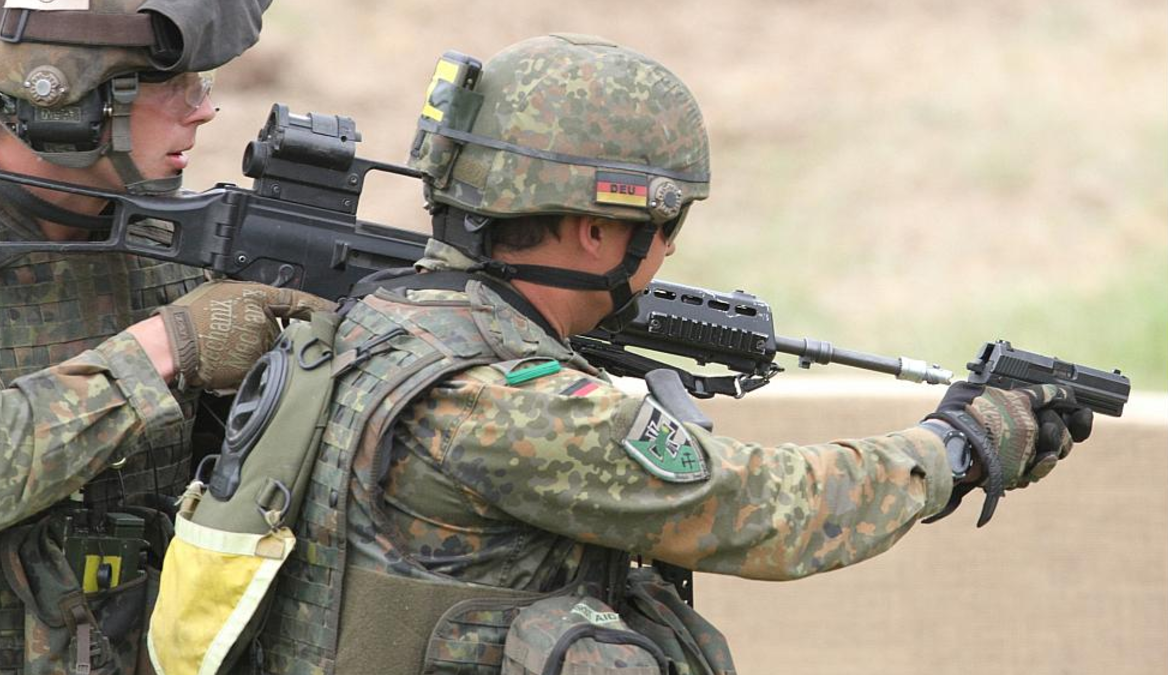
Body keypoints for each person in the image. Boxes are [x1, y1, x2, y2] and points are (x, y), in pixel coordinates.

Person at [234, 34, 1093, 675]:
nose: (670, 253)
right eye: (666, 225)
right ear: (596, 227)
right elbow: (772, 511)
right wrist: (958, 447)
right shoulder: (513, 401)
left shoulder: (381, 314)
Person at [0, 2, 330, 673]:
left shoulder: (183, 244)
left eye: (204, 82)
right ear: (65, 105)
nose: (202, 110)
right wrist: (169, 347)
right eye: (172, 85)